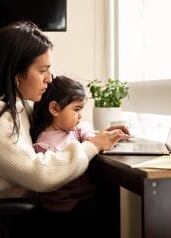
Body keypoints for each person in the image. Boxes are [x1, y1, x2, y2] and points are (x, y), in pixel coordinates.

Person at [0, 21, 129, 237]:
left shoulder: (17, 104)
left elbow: (59, 120)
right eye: (43, 70)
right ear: (17, 73)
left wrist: (98, 136)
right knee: (93, 223)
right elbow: (40, 175)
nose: (49, 78)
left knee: (91, 217)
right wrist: (91, 146)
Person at [31, 75, 112, 237]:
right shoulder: (45, 146)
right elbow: (59, 177)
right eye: (76, 109)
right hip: (62, 211)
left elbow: (84, 127)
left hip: (81, 201)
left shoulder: (71, 129)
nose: (80, 115)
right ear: (55, 109)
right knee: (104, 224)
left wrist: (92, 139)